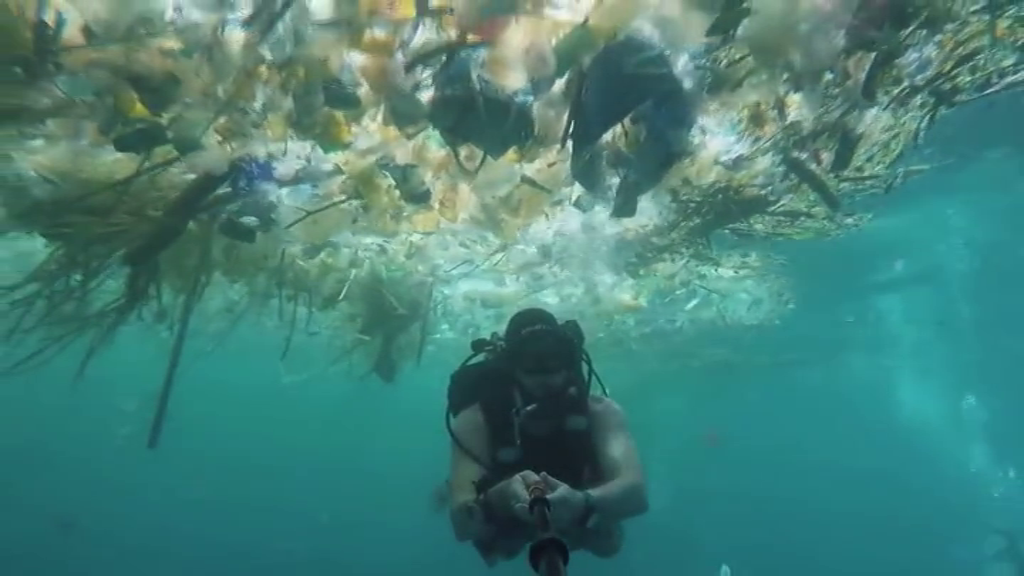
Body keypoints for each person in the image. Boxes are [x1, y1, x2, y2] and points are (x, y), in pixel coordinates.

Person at [445, 307, 648, 567]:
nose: (545, 373)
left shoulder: (601, 412)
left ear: (570, 358)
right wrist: (501, 497)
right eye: (530, 359)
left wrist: (583, 503)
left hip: (578, 504)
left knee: (606, 542)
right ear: (510, 364)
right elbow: (462, 524)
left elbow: (636, 493)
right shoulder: (476, 420)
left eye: (555, 357)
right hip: (510, 510)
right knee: (497, 544)